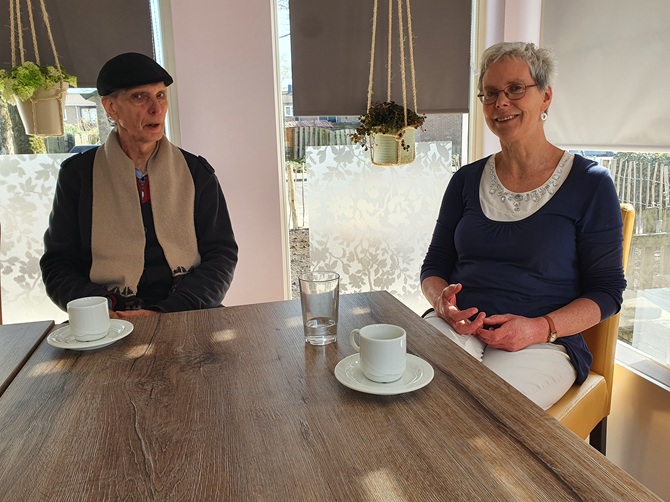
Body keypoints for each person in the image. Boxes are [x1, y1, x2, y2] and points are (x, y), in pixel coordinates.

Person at [420, 42, 626, 410]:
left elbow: (607, 292)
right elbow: (435, 264)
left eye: (516, 89)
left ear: (545, 97)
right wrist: (441, 303)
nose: (501, 102)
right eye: (491, 93)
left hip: (542, 341)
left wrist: (539, 327)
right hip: (457, 328)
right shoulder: (465, 180)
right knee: (413, 397)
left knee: (488, 415)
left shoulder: (591, 183)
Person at [40, 52, 238, 319]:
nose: (156, 109)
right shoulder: (78, 175)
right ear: (111, 107)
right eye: (139, 97)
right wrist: (100, 310)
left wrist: (169, 311)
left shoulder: (196, 172)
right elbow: (58, 264)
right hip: (108, 319)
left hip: (186, 311)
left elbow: (221, 255)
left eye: (160, 95)